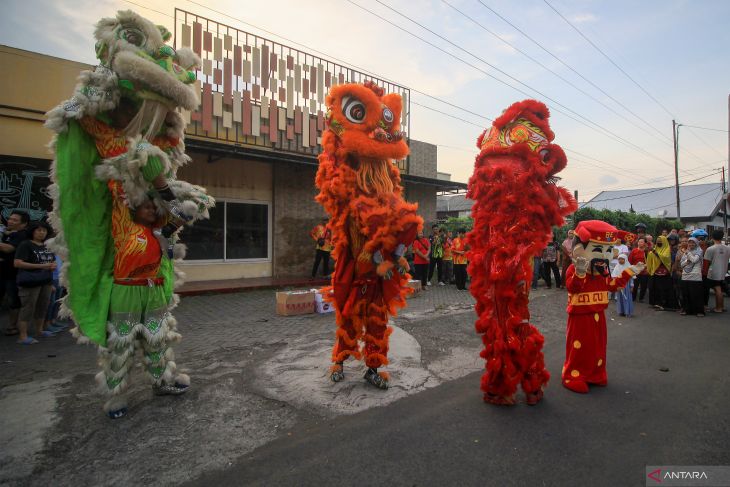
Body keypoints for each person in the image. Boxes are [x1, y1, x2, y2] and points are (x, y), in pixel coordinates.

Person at [45, 10, 214, 418]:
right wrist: (156, 189)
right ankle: (116, 394)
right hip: (126, 274)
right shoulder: (123, 184)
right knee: (121, 339)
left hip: (154, 274)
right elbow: (115, 149)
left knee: (158, 335)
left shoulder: (160, 209)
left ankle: (162, 379)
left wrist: (170, 201)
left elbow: (173, 208)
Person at [562, 220, 643, 394]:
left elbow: (612, 284)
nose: (605, 256)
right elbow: (573, 287)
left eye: (608, 250)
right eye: (598, 249)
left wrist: (630, 271)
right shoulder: (573, 269)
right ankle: (573, 375)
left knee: (598, 346)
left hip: (598, 314)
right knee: (580, 347)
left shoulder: (601, 272)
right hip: (580, 315)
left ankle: (595, 374)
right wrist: (580, 272)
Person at [13, 221, 56, 344]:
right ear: (32, 231)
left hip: (46, 281)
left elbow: (51, 263)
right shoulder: (25, 245)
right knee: (28, 307)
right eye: (38, 230)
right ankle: (23, 336)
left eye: (44, 230)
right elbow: (17, 263)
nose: (42, 232)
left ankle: (40, 330)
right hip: (30, 281)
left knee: (43, 306)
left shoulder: (47, 245)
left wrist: (51, 272)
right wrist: (41, 266)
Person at [0, 210, 30, 336]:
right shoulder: (7, 233)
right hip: (2, 273)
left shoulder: (22, 235)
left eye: (15, 220)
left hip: (12, 275)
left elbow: (9, 249)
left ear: (23, 224)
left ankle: (12, 326)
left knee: (14, 301)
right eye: (10, 218)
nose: (11, 221)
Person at [647, 235, 675, 311]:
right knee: (655, 288)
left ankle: (664, 303)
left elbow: (665, 258)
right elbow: (650, 258)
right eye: (658, 240)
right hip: (655, 272)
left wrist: (656, 253)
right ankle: (656, 303)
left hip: (664, 273)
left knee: (663, 289)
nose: (658, 242)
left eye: (660, 241)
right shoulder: (655, 249)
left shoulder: (667, 249)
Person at [703, 229, 728, 313]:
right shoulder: (727, 248)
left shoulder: (710, 249)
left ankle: (719, 308)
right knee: (719, 288)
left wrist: (704, 273)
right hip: (723, 271)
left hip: (713, 272)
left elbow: (706, 263)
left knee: (717, 289)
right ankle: (722, 306)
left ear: (712, 237)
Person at [680, 237, 705, 317]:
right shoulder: (686, 252)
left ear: (696, 243)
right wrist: (687, 260)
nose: (691, 244)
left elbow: (694, 260)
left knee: (696, 294)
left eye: (693, 242)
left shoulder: (699, 251)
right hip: (685, 276)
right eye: (689, 242)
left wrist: (688, 254)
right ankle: (686, 310)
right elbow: (681, 264)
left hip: (696, 276)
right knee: (686, 294)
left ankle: (699, 311)